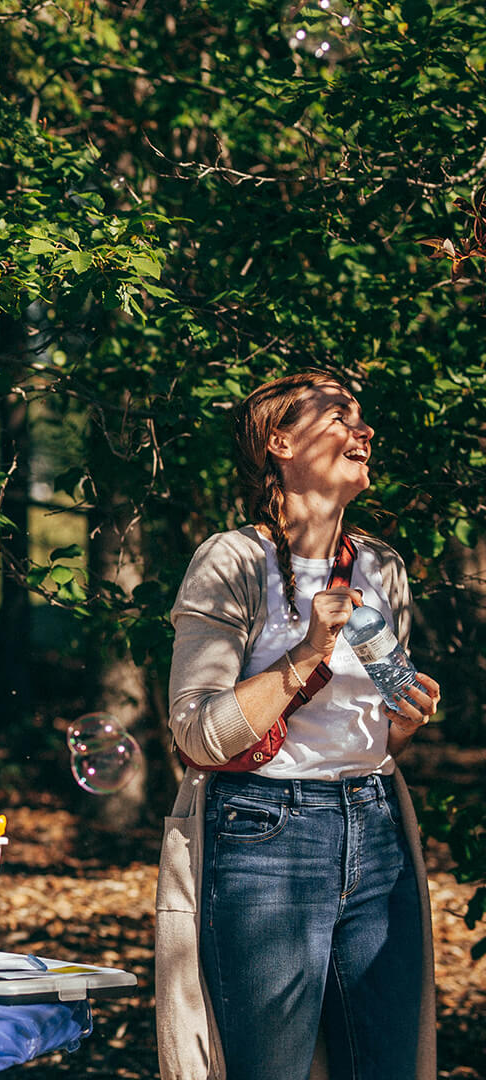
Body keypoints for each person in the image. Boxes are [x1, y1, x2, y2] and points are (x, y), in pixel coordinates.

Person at [156, 371, 440, 1080]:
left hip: (375, 827)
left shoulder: (382, 567)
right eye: (340, 415)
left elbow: (370, 728)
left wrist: (403, 724)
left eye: (362, 418)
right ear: (280, 442)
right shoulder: (233, 561)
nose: (363, 431)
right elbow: (198, 734)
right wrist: (305, 653)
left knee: (386, 1067)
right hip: (264, 836)